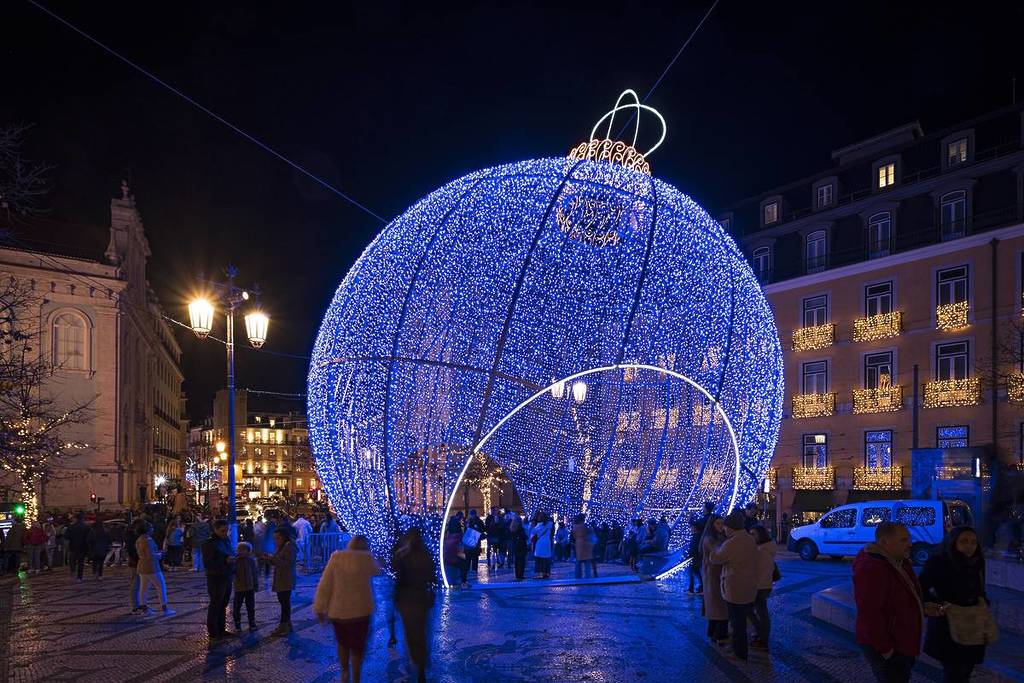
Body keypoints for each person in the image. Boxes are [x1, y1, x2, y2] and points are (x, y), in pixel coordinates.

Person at [853, 521, 929, 683]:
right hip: (889, 645)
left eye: (909, 539)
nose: (910, 544)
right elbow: (870, 613)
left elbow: (903, 596)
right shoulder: (873, 568)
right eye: (903, 540)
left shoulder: (900, 561)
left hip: (901, 640)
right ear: (883, 542)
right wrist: (886, 649)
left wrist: (922, 607)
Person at [920, 526, 988, 683]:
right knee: (954, 671)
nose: (970, 546)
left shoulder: (977, 561)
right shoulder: (939, 562)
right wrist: (941, 605)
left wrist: (982, 602)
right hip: (948, 626)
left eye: (973, 542)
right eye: (964, 541)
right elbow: (921, 588)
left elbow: (979, 588)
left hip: (973, 624)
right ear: (953, 542)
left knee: (967, 669)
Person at [314, 535, 381, 683]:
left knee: (342, 643)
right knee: (358, 645)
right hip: (361, 612)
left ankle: (345, 672)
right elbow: (377, 571)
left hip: (339, 612)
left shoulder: (336, 558)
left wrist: (320, 607)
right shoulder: (367, 558)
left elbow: (325, 584)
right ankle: (356, 675)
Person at [709, 510, 758, 661]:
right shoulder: (749, 539)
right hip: (748, 586)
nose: (723, 528)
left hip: (735, 588)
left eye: (725, 526)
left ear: (731, 527)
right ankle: (739, 648)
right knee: (741, 621)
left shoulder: (731, 543)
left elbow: (716, 559)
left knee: (737, 624)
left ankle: (740, 653)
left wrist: (714, 548)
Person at [393, 528, 435, 683]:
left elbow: (399, 578)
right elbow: (432, 576)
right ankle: (422, 664)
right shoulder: (426, 555)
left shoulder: (403, 556)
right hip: (422, 597)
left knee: (411, 632)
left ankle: (416, 661)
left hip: (407, 598)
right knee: (422, 631)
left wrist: (396, 598)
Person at [202, 520, 237, 642]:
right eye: (222, 531)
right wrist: (225, 560)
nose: (225, 533)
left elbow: (230, 552)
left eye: (226, 531)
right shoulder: (209, 544)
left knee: (224, 603)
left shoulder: (225, 540)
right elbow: (208, 562)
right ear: (215, 529)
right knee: (216, 603)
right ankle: (213, 632)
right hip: (216, 577)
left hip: (227, 576)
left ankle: (221, 629)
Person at [263, 526, 297, 636]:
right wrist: (269, 559)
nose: (275, 541)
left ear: (283, 538)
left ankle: (283, 626)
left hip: (286, 578)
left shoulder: (289, 547)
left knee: (284, 602)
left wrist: (272, 558)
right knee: (283, 601)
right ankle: (287, 624)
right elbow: (279, 561)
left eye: (277, 538)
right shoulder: (282, 546)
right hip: (281, 577)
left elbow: (287, 563)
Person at [135, 522, 174, 616]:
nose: (153, 529)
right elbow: (151, 555)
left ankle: (144, 608)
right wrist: (161, 554)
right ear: (147, 529)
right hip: (151, 567)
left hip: (142, 566)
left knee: (143, 588)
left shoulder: (139, 539)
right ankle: (164, 608)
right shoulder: (148, 540)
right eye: (151, 527)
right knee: (161, 587)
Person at [748, 525, 777, 651]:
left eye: (753, 534)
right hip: (763, 586)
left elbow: (762, 571)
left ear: (761, 535)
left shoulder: (761, 551)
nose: (751, 537)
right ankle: (759, 634)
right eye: (750, 534)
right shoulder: (765, 548)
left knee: (758, 613)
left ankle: (762, 638)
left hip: (760, 586)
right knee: (759, 612)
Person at [701, 514, 729, 644]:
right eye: (718, 523)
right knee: (717, 604)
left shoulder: (720, 537)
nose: (721, 526)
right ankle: (718, 635)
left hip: (718, 573)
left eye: (722, 523)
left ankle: (713, 632)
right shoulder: (709, 539)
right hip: (712, 574)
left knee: (716, 605)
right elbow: (718, 555)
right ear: (712, 524)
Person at [233, 541, 259, 632]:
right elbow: (232, 572)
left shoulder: (251, 560)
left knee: (250, 606)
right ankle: (237, 624)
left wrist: (256, 584)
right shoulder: (235, 561)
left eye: (243, 549)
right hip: (239, 588)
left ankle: (252, 622)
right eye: (239, 549)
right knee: (237, 607)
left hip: (249, 587)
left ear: (248, 551)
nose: (241, 551)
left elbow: (254, 573)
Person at [65, 513, 89, 581]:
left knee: (72, 560)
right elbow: (89, 536)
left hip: (73, 546)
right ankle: (79, 577)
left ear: (76, 519)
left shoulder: (71, 526)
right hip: (83, 546)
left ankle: (73, 571)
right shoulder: (85, 526)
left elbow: (66, 536)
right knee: (81, 562)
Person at [529, 513, 553, 578]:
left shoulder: (538, 526)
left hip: (540, 543)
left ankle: (540, 573)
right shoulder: (550, 525)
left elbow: (532, 532)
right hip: (547, 543)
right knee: (546, 558)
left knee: (539, 558)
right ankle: (546, 573)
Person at [126, 523, 142, 613]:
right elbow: (133, 552)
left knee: (137, 584)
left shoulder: (131, 537)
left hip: (134, 562)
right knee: (136, 584)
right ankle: (136, 606)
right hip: (136, 563)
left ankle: (138, 604)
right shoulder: (133, 538)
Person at [573, 514, 594, 579]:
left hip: (578, 543)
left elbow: (574, 536)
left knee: (578, 561)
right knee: (587, 561)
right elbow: (589, 533)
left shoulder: (575, 527)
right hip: (586, 543)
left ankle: (577, 576)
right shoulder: (585, 526)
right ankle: (588, 576)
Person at [509, 516, 528, 580]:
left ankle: (517, 575)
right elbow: (524, 537)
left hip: (515, 546)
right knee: (521, 562)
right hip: (521, 546)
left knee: (517, 562)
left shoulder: (512, 529)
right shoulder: (520, 529)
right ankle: (520, 575)